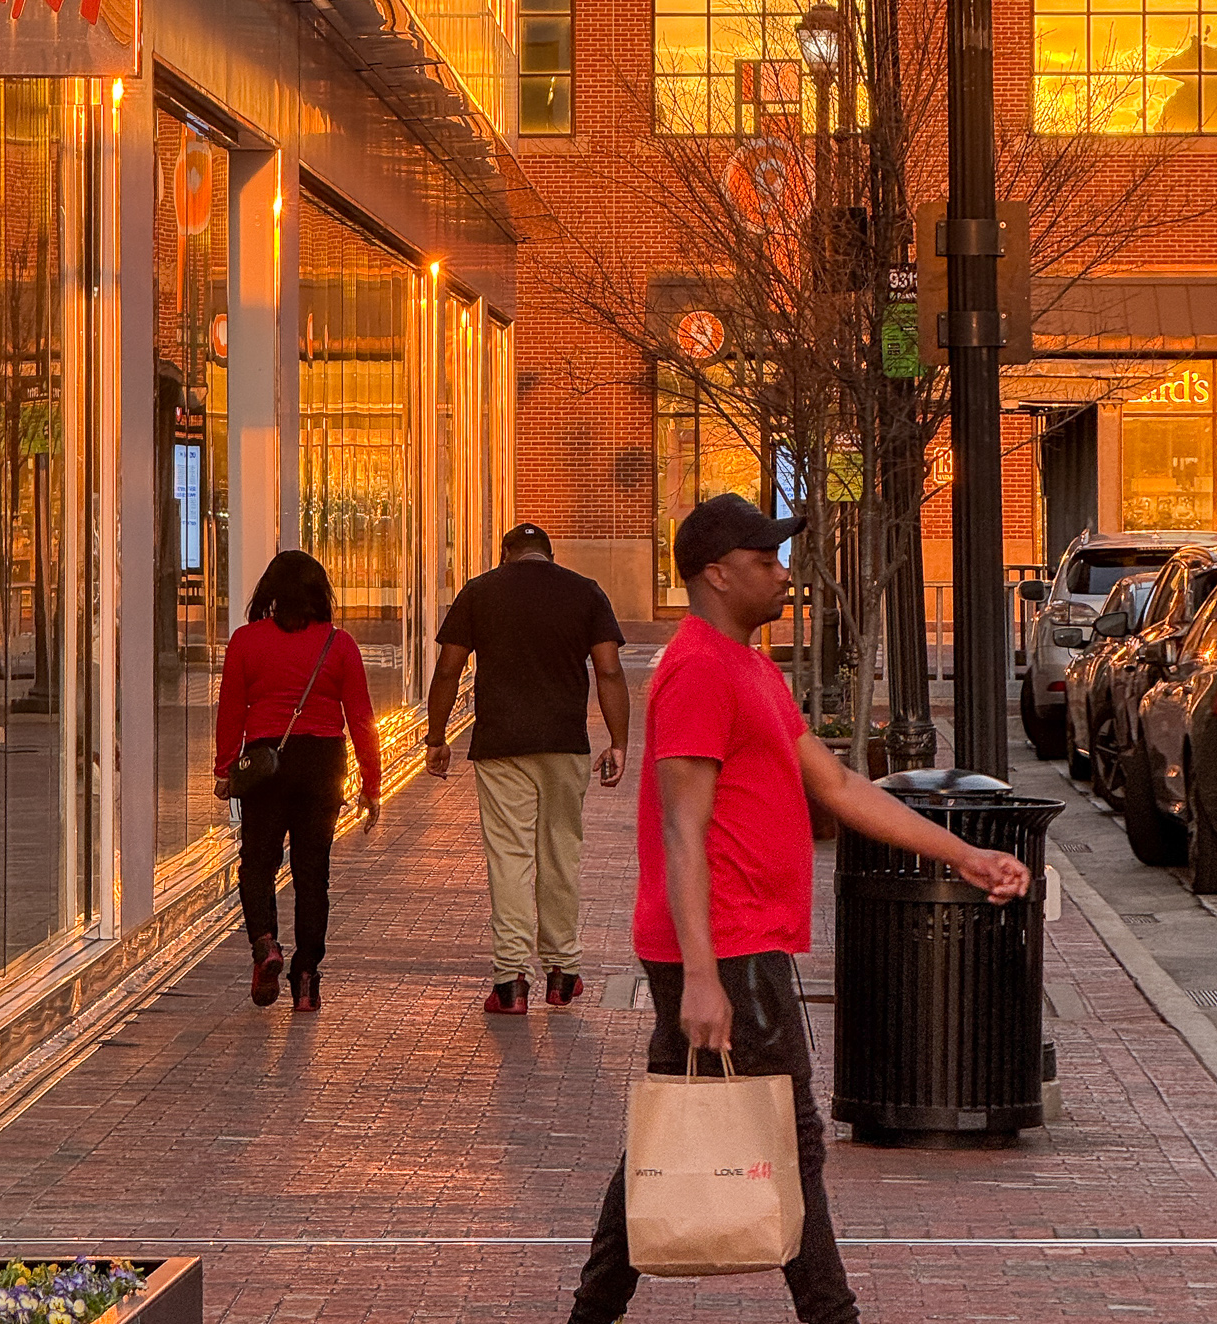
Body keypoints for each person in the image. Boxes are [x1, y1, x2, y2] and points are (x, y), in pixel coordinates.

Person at [566, 492, 1033, 1324]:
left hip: (741, 941)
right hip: (726, 944)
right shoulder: (699, 670)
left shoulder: (748, 667)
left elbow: (840, 785)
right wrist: (702, 976)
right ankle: (830, 1313)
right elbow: (681, 830)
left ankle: (592, 1312)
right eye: (766, 561)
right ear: (717, 574)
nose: (784, 575)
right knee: (791, 1136)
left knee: (676, 1127)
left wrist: (963, 854)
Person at [425, 521, 630, 1015]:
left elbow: (449, 668)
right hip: (565, 744)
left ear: (506, 554)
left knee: (509, 857)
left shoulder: (480, 592)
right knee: (561, 853)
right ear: (550, 556)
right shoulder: (585, 592)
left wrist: (436, 737)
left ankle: (511, 981)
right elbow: (608, 669)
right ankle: (563, 973)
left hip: (501, 745)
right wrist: (619, 743)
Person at [214, 550, 382, 1013]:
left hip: (265, 763)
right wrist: (371, 784)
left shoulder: (245, 641)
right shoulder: (339, 644)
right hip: (323, 763)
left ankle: (266, 942)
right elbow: (361, 718)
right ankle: (306, 979)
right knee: (312, 874)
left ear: (269, 592)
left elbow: (231, 711)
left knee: (257, 862)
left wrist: (226, 769)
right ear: (318, 593)